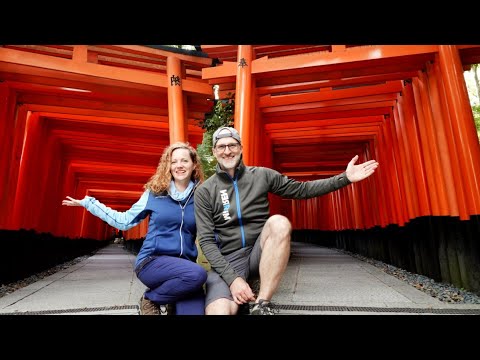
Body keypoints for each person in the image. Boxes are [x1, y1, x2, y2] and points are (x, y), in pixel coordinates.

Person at [194, 127, 379, 315]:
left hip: (259, 250)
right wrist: (233, 280)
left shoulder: (262, 175)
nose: (227, 151)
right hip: (229, 259)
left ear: (241, 148)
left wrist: (344, 178)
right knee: (219, 311)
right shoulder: (205, 191)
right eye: (222, 146)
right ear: (214, 151)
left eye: (232, 145)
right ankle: (236, 291)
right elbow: (207, 241)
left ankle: (262, 304)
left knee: (279, 222)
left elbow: (302, 190)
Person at [62, 142, 207, 315]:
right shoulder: (154, 194)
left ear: (194, 165)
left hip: (185, 269)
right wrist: (89, 203)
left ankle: (168, 300)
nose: (179, 165)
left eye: (184, 161)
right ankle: (151, 299)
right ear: (167, 166)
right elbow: (123, 222)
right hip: (153, 262)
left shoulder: (201, 197)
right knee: (198, 274)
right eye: (174, 161)